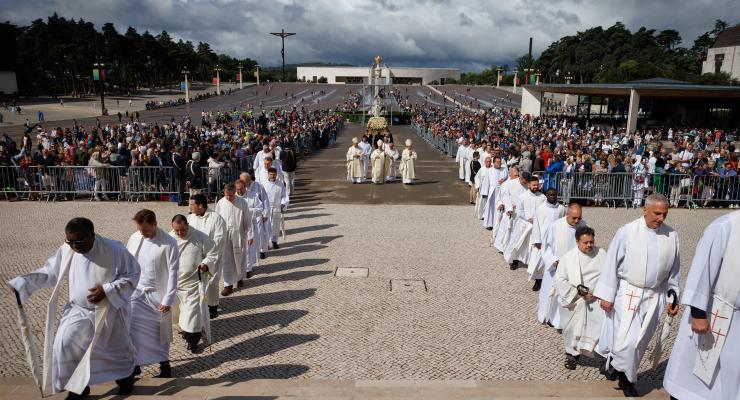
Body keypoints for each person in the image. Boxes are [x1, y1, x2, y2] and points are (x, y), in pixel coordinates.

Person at [7, 218, 139, 399]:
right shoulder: (67, 249)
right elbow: (51, 271)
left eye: (79, 241)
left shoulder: (114, 249)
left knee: (115, 351)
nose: (74, 246)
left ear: (92, 235)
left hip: (110, 311)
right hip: (79, 310)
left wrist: (108, 290)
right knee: (64, 343)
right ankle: (77, 388)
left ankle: (125, 378)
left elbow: (133, 274)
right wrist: (22, 283)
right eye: (70, 241)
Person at [594, 194, 680, 397]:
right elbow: (611, 263)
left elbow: (674, 271)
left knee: (641, 341)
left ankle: (616, 364)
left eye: (664, 214)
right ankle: (626, 380)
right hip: (629, 292)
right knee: (629, 340)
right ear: (645, 210)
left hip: (655, 296)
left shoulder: (672, 235)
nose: (661, 218)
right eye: (657, 213)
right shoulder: (627, 232)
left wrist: (673, 296)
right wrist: (607, 294)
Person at [663, 210, 740, 400]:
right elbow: (702, 267)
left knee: (729, 374)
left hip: (737, 319)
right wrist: (698, 314)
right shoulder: (724, 227)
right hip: (715, 312)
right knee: (694, 370)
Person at [127, 209, 179, 379]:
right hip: (137, 293)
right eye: (140, 229)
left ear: (155, 224)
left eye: (146, 230)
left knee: (161, 332)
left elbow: (173, 272)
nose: (142, 233)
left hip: (159, 294)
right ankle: (136, 364)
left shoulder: (169, 243)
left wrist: (168, 299)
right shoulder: (135, 238)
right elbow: (127, 263)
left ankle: (164, 364)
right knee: (133, 329)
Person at [554, 226, 607, 370]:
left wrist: (602, 293)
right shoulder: (568, 258)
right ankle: (572, 356)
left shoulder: (601, 254)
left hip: (597, 300)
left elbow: (609, 275)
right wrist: (579, 294)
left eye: (591, 242)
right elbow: (560, 280)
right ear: (577, 242)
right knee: (573, 331)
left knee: (599, 332)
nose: (590, 245)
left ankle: (603, 362)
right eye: (586, 243)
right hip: (577, 301)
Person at [170, 214, 218, 353]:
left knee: (193, 314)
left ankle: (193, 340)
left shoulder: (200, 237)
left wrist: (205, 264)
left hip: (193, 283)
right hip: (175, 283)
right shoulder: (169, 239)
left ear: (187, 226)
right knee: (180, 312)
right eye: (177, 230)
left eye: (183, 230)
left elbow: (213, 253)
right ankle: (185, 330)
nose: (180, 233)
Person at [537, 203, 587, 329]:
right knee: (553, 294)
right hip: (556, 268)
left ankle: (565, 321)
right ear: (567, 214)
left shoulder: (583, 226)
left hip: (574, 268)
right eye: (574, 218)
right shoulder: (555, 226)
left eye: (579, 218)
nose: (577, 221)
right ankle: (550, 317)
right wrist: (553, 260)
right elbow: (546, 248)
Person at [187, 194, 226, 318]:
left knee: (212, 281)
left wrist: (208, 255)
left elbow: (219, 239)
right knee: (197, 282)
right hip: (195, 256)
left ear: (200, 205)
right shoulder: (190, 218)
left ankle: (212, 306)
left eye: (191, 204)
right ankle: (198, 305)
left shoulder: (216, 218)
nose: (189, 207)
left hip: (212, 256)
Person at [215, 183, 253, 295]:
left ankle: (240, 277)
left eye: (230, 195)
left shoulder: (242, 203)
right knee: (226, 259)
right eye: (226, 195)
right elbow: (216, 220)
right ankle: (228, 284)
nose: (228, 198)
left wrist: (250, 235)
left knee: (239, 257)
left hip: (238, 233)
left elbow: (247, 220)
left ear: (234, 193)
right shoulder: (221, 203)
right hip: (224, 234)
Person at [527, 188, 566, 291]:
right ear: (547, 195)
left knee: (554, 260)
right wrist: (537, 240)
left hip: (556, 239)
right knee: (539, 261)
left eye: (554, 195)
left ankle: (553, 281)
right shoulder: (540, 208)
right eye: (550, 195)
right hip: (543, 239)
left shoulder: (562, 209)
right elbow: (536, 225)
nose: (552, 196)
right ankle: (538, 280)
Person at [504, 175, 544, 269]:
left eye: (537, 185)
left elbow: (544, 211)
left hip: (536, 226)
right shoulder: (522, 196)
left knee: (531, 244)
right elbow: (519, 211)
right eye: (534, 185)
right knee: (518, 243)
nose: (536, 187)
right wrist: (528, 218)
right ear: (529, 185)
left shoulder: (542, 197)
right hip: (523, 224)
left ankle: (531, 262)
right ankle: (514, 260)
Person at [493, 168, 527, 252]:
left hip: (519, 212)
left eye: (517, 175)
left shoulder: (524, 185)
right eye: (515, 175)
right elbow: (501, 197)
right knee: (505, 229)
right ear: (510, 174)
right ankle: (501, 246)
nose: (516, 177)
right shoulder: (505, 184)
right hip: (508, 211)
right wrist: (502, 204)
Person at [263, 167, 289, 249]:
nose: (272, 176)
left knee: (275, 226)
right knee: (266, 226)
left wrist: (283, 204)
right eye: (271, 174)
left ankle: (274, 241)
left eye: (274, 174)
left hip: (276, 207)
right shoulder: (263, 184)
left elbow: (284, 196)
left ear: (276, 175)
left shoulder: (280, 184)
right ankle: (266, 243)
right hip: (266, 208)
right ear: (268, 174)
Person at [482, 157, 508, 229]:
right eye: (497, 162)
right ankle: (489, 224)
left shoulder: (504, 170)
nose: (498, 163)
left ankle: (499, 225)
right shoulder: (490, 171)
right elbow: (486, 182)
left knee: (500, 208)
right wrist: (485, 193)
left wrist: (504, 181)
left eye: (499, 162)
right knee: (491, 207)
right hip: (493, 191)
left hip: (502, 192)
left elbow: (508, 179)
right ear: (493, 163)